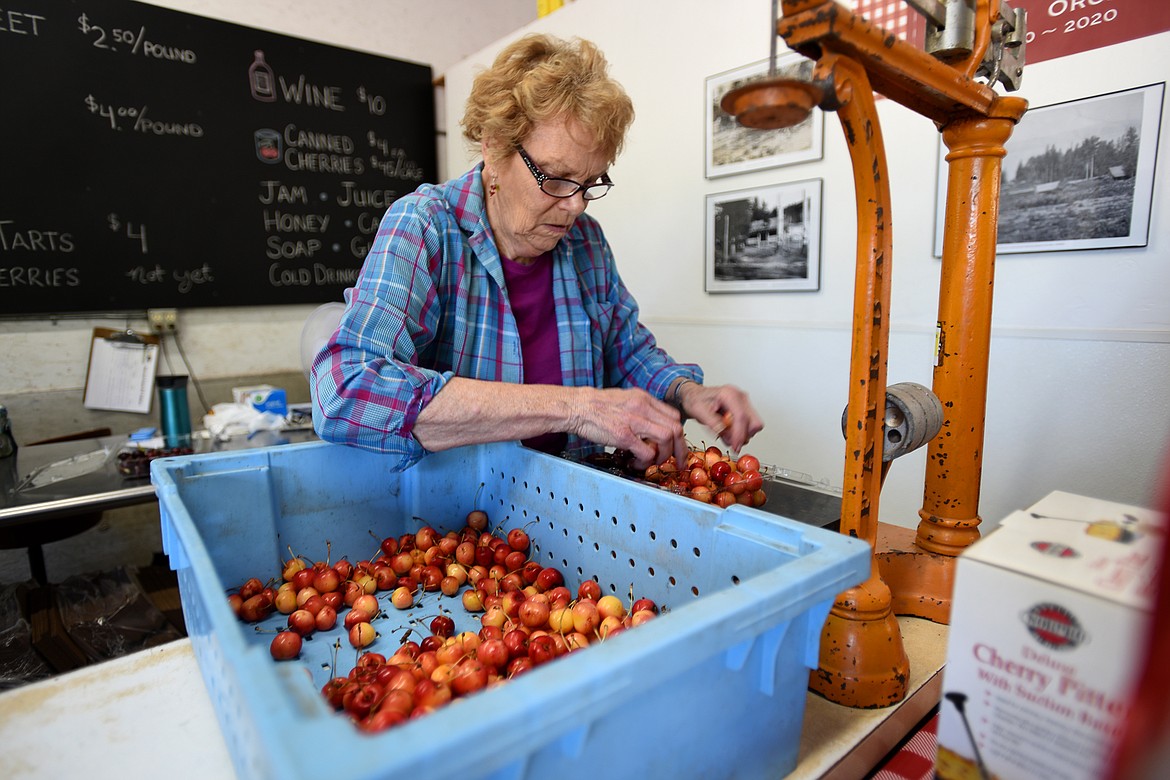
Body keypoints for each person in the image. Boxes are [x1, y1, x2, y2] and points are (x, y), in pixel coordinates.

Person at [311, 33, 762, 472]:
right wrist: (574, 407)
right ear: (494, 147)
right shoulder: (425, 226)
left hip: (570, 507)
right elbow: (347, 388)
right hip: (459, 521)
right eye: (556, 176)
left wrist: (686, 392)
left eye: (590, 183)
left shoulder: (585, 242)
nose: (575, 204)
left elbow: (626, 351)